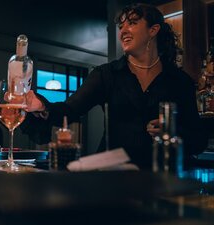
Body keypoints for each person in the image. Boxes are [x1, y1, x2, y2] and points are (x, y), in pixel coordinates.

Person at [21, 3, 207, 170]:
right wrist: (43, 106)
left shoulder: (179, 81)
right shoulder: (107, 74)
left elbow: (199, 140)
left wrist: (173, 132)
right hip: (114, 177)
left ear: (153, 30)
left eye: (132, 23)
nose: (123, 31)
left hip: (165, 177)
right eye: (121, 26)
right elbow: (69, 109)